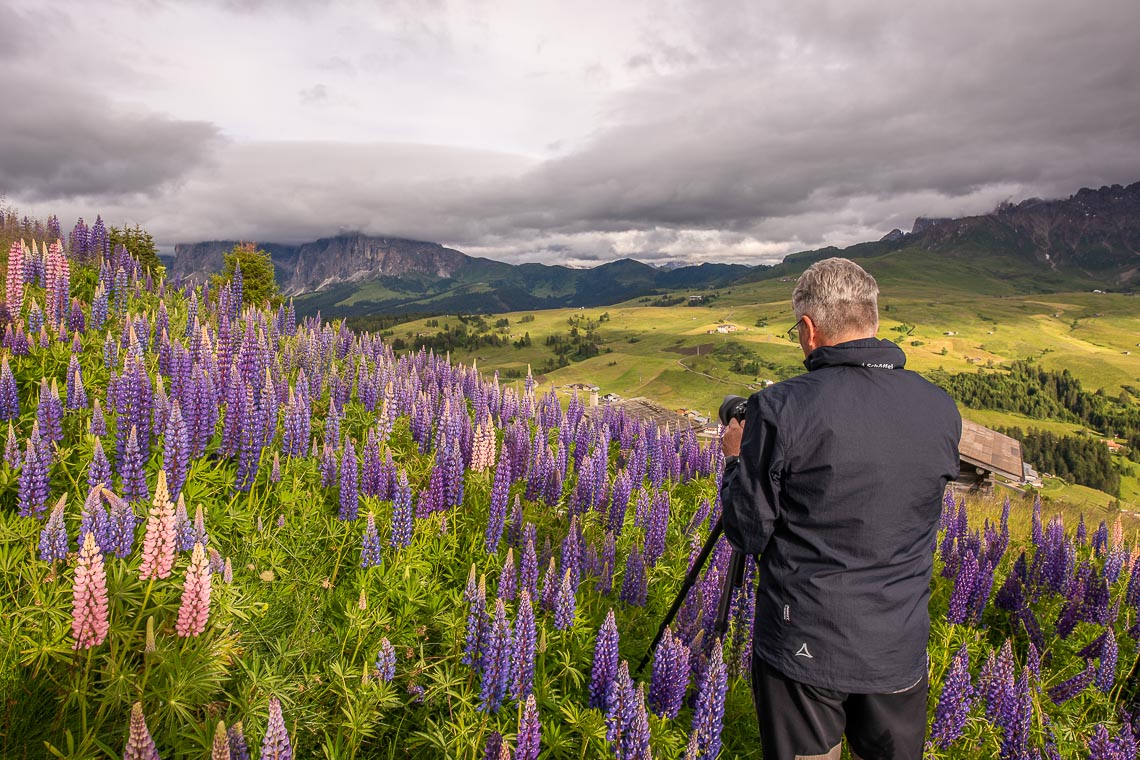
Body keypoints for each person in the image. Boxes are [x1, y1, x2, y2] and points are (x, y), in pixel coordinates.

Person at [719, 257, 961, 760]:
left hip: (805, 644)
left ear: (808, 329)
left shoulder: (781, 406)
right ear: (871, 320)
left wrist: (736, 460)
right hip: (898, 647)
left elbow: (748, 531)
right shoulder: (939, 406)